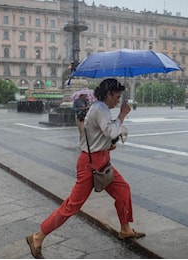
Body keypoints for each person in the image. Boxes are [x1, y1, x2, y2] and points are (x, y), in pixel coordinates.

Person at [26, 78, 144, 259]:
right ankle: (38, 236)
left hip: (101, 159)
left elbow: (99, 135)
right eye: (117, 96)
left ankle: (125, 228)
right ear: (109, 94)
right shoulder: (100, 109)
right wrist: (122, 114)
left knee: (123, 190)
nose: (119, 100)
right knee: (72, 205)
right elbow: (111, 131)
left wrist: (107, 144)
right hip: (90, 164)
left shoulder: (100, 108)